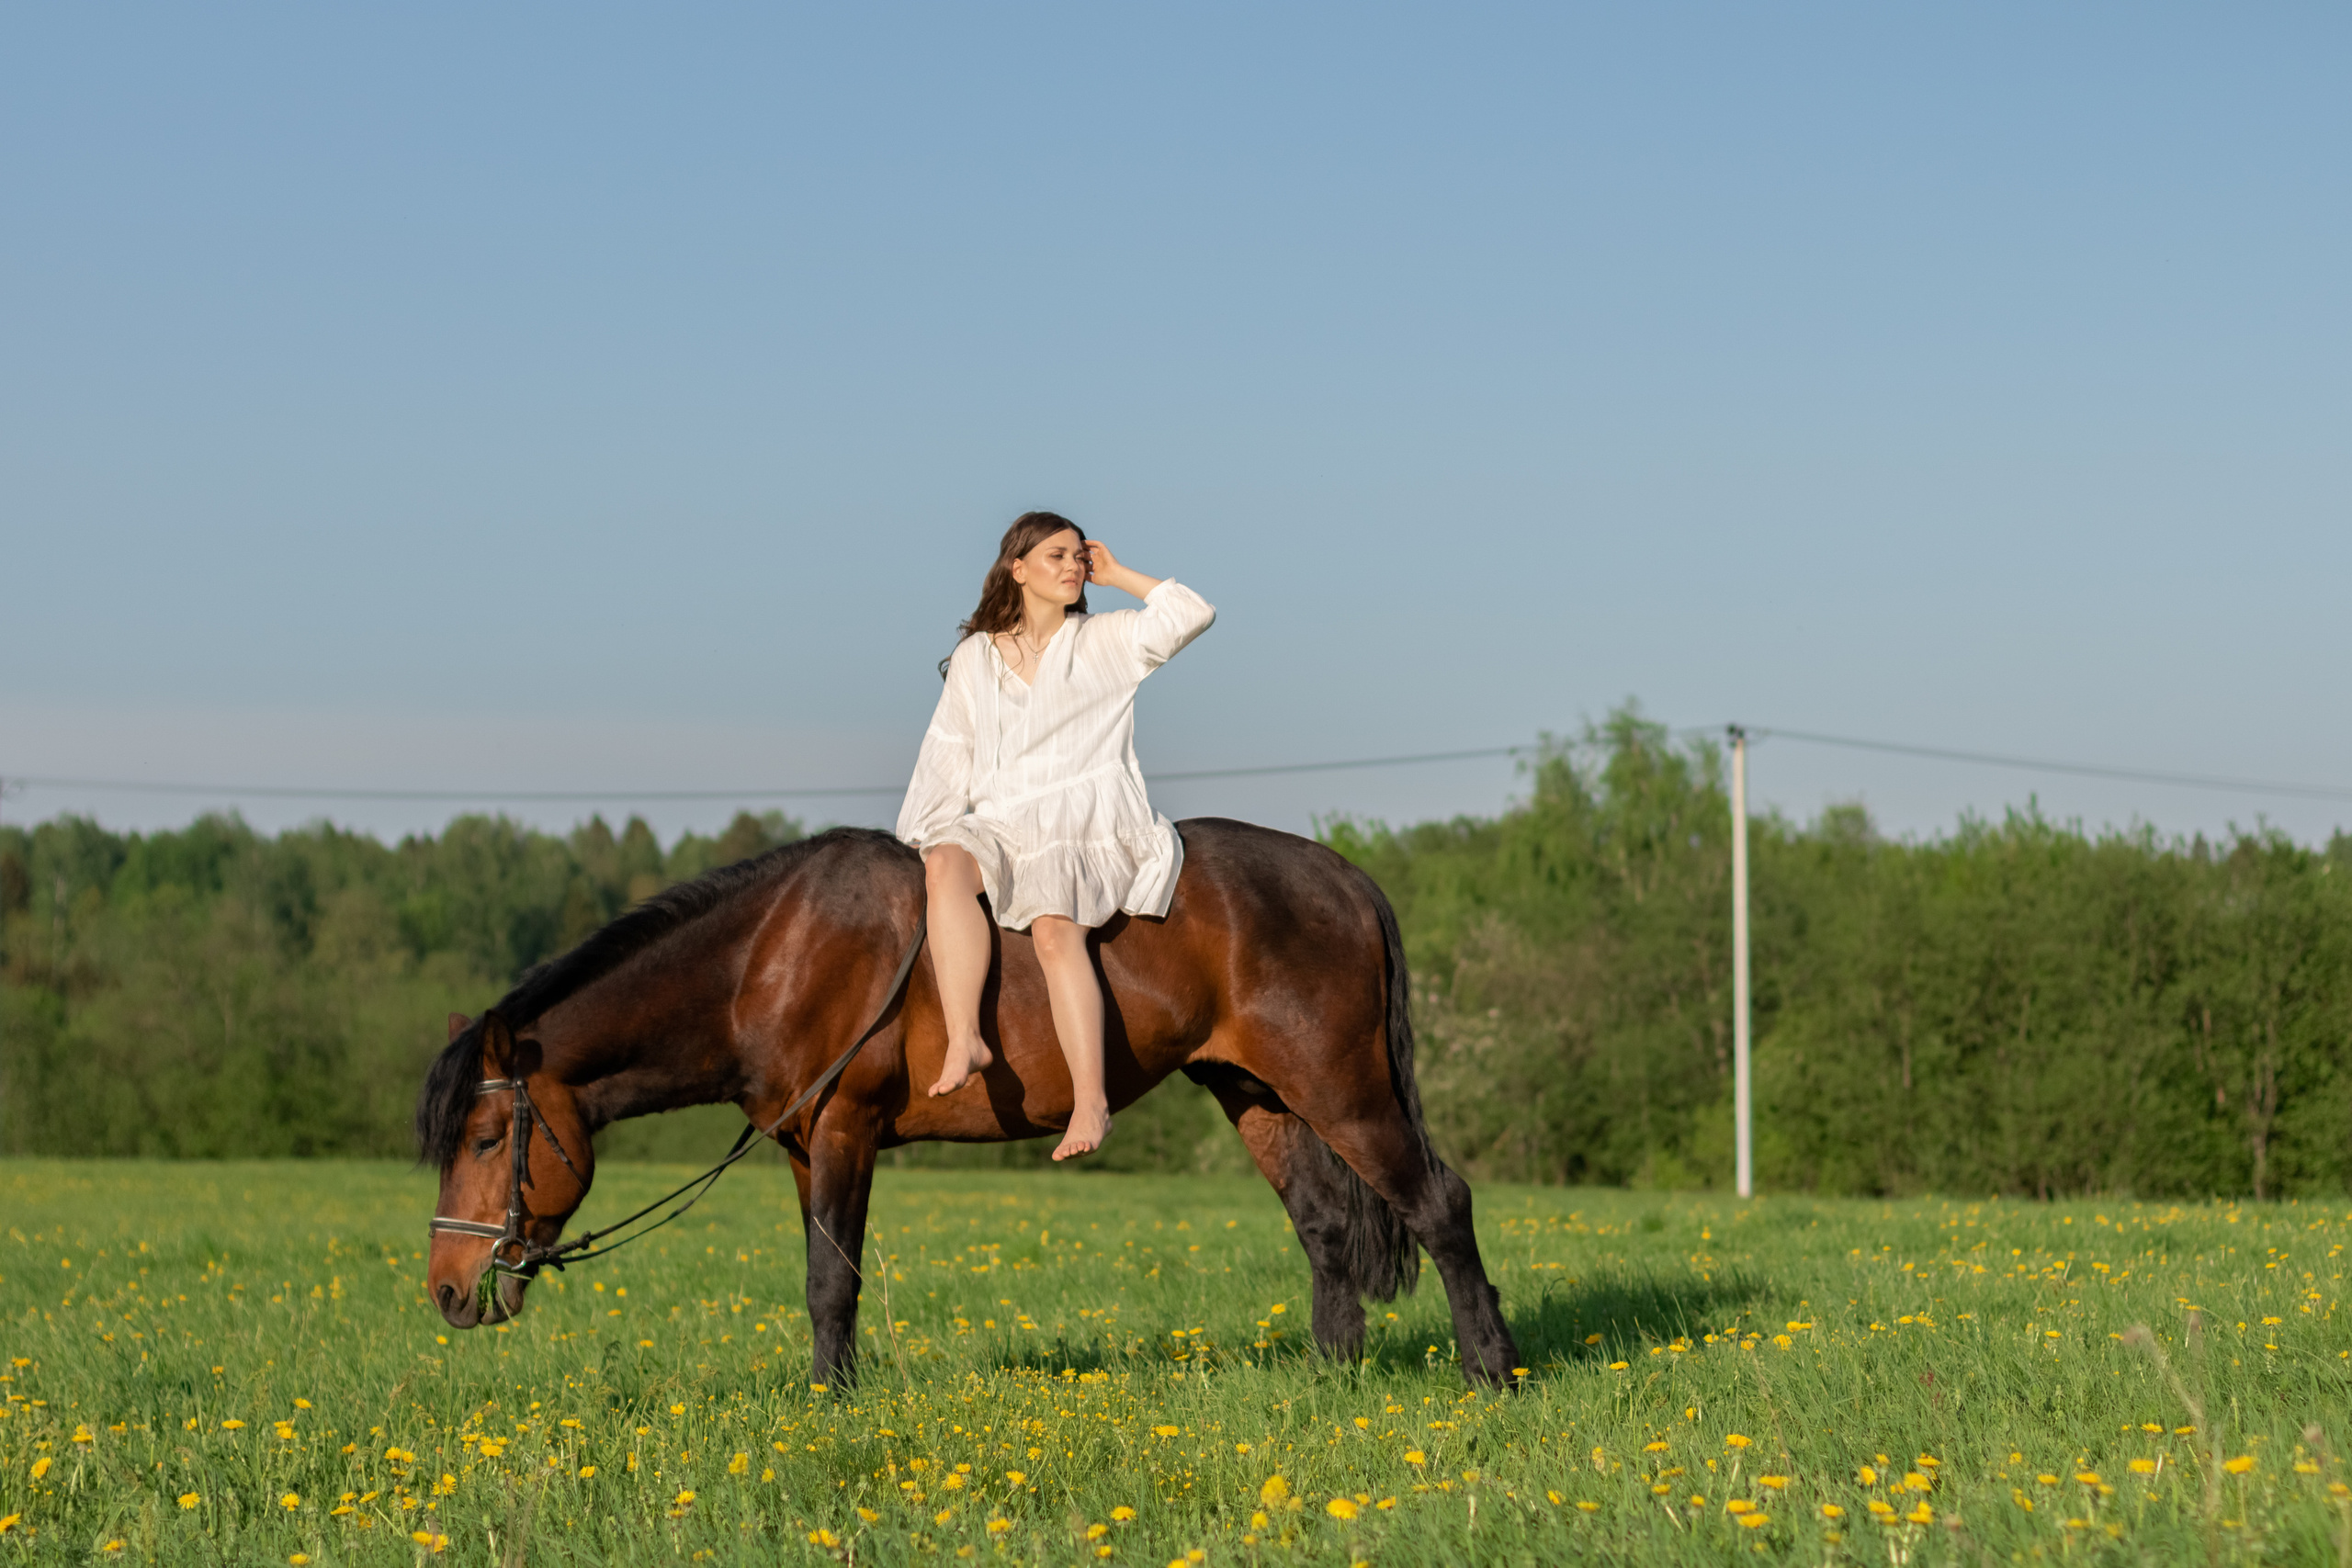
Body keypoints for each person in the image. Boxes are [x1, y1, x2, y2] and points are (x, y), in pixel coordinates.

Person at [897, 512, 1216, 1160]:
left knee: (1053, 929)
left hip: (1086, 817)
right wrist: (925, 834)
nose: (1073, 566)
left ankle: (1091, 1102)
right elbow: (949, 748)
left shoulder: (1104, 639)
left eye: (1079, 557)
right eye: (1056, 555)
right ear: (1017, 569)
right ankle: (965, 1038)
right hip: (1003, 819)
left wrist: (1118, 573)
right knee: (945, 863)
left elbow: (1192, 613)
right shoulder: (976, 657)